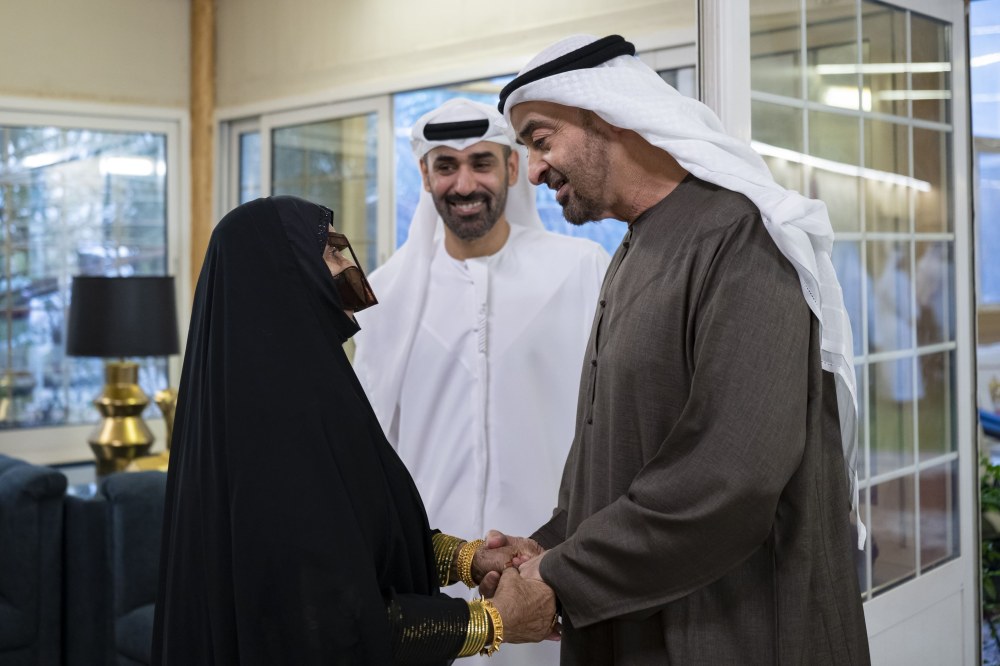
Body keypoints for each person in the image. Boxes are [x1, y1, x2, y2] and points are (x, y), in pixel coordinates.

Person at [479, 34, 872, 665]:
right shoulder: (637, 245)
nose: (533, 170)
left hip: (732, 632)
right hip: (642, 619)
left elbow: (729, 478)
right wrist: (547, 546)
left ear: (608, 116)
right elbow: (621, 446)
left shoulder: (741, 240)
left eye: (541, 140)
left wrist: (562, 577)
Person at [151, 195, 557, 665]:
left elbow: (358, 537)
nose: (347, 265)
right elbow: (332, 625)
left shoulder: (310, 391)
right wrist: (494, 621)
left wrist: (470, 559)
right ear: (285, 273)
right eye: (329, 250)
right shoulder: (275, 431)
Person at [353, 99, 609, 665]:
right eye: (446, 165)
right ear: (425, 176)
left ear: (513, 168)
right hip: (434, 584)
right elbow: (368, 451)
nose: (464, 183)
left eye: (481, 163)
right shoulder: (386, 294)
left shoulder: (580, 270)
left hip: (554, 569)